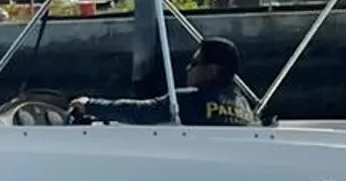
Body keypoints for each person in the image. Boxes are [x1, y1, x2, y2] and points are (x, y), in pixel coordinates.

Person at [69, 35, 259, 127]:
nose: (188, 68)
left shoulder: (188, 101)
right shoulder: (244, 107)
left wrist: (90, 105)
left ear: (212, 71)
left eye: (194, 63)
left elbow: (140, 112)